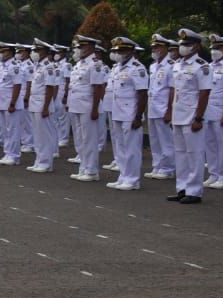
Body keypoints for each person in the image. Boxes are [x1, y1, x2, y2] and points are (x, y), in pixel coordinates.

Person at [166, 28, 211, 204]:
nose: (183, 47)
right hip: (178, 115)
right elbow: (175, 91)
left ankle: (194, 191)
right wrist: (172, 114)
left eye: (188, 44)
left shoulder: (202, 66)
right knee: (180, 155)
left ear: (196, 46)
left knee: (194, 154)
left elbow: (204, 93)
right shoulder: (177, 64)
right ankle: (182, 188)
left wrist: (199, 118)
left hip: (192, 116)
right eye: (182, 44)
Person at [104, 37, 148, 190]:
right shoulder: (117, 68)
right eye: (118, 50)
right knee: (120, 147)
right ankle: (123, 176)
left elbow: (142, 94)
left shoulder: (137, 68)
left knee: (131, 149)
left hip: (131, 113)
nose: (119, 53)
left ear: (131, 51)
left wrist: (138, 116)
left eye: (122, 50)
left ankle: (132, 179)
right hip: (117, 112)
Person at [65, 35, 108, 181]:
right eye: (79, 47)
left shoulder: (95, 64)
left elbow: (97, 88)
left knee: (89, 139)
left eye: (81, 46)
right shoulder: (79, 64)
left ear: (90, 47)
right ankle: (83, 168)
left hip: (88, 106)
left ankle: (91, 171)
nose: (79, 49)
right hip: (76, 105)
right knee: (79, 139)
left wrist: (95, 109)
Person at [25, 40, 61, 173]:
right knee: (37, 134)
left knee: (45, 135)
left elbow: (50, 88)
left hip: (42, 104)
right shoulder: (37, 66)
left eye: (38, 50)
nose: (34, 53)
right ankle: (39, 160)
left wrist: (46, 107)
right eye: (34, 50)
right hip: (35, 103)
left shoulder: (48, 67)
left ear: (45, 52)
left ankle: (46, 163)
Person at [145, 34, 176, 180]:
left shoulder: (171, 65)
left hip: (163, 108)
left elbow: (172, 90)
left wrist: (169, 110)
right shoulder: (153, 66)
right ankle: (157, 166)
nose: (154, 50)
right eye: (153, 47)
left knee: (166, 140)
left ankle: (168, 168)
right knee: (154, 140)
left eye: (157, 47)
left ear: (165, 48)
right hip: (153, 107)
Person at [205, 34, 223, 189]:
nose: (215, 51)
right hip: (208, 112)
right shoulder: (209, 66)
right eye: (213, 47)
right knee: (210, 144)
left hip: (222, 112)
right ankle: (214, 174)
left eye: (218, 47)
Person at [0, 43, 22, 166]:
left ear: (10, 53)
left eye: (3, 51)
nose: (0, 54)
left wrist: (12, 103)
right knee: (5, 130)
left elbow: (17, 85)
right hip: (2, 102)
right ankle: (7, 153)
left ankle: (14, 155)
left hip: (11, 103)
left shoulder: (14, 66)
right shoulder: (2, 66)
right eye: (0, 51)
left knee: (13, 130)